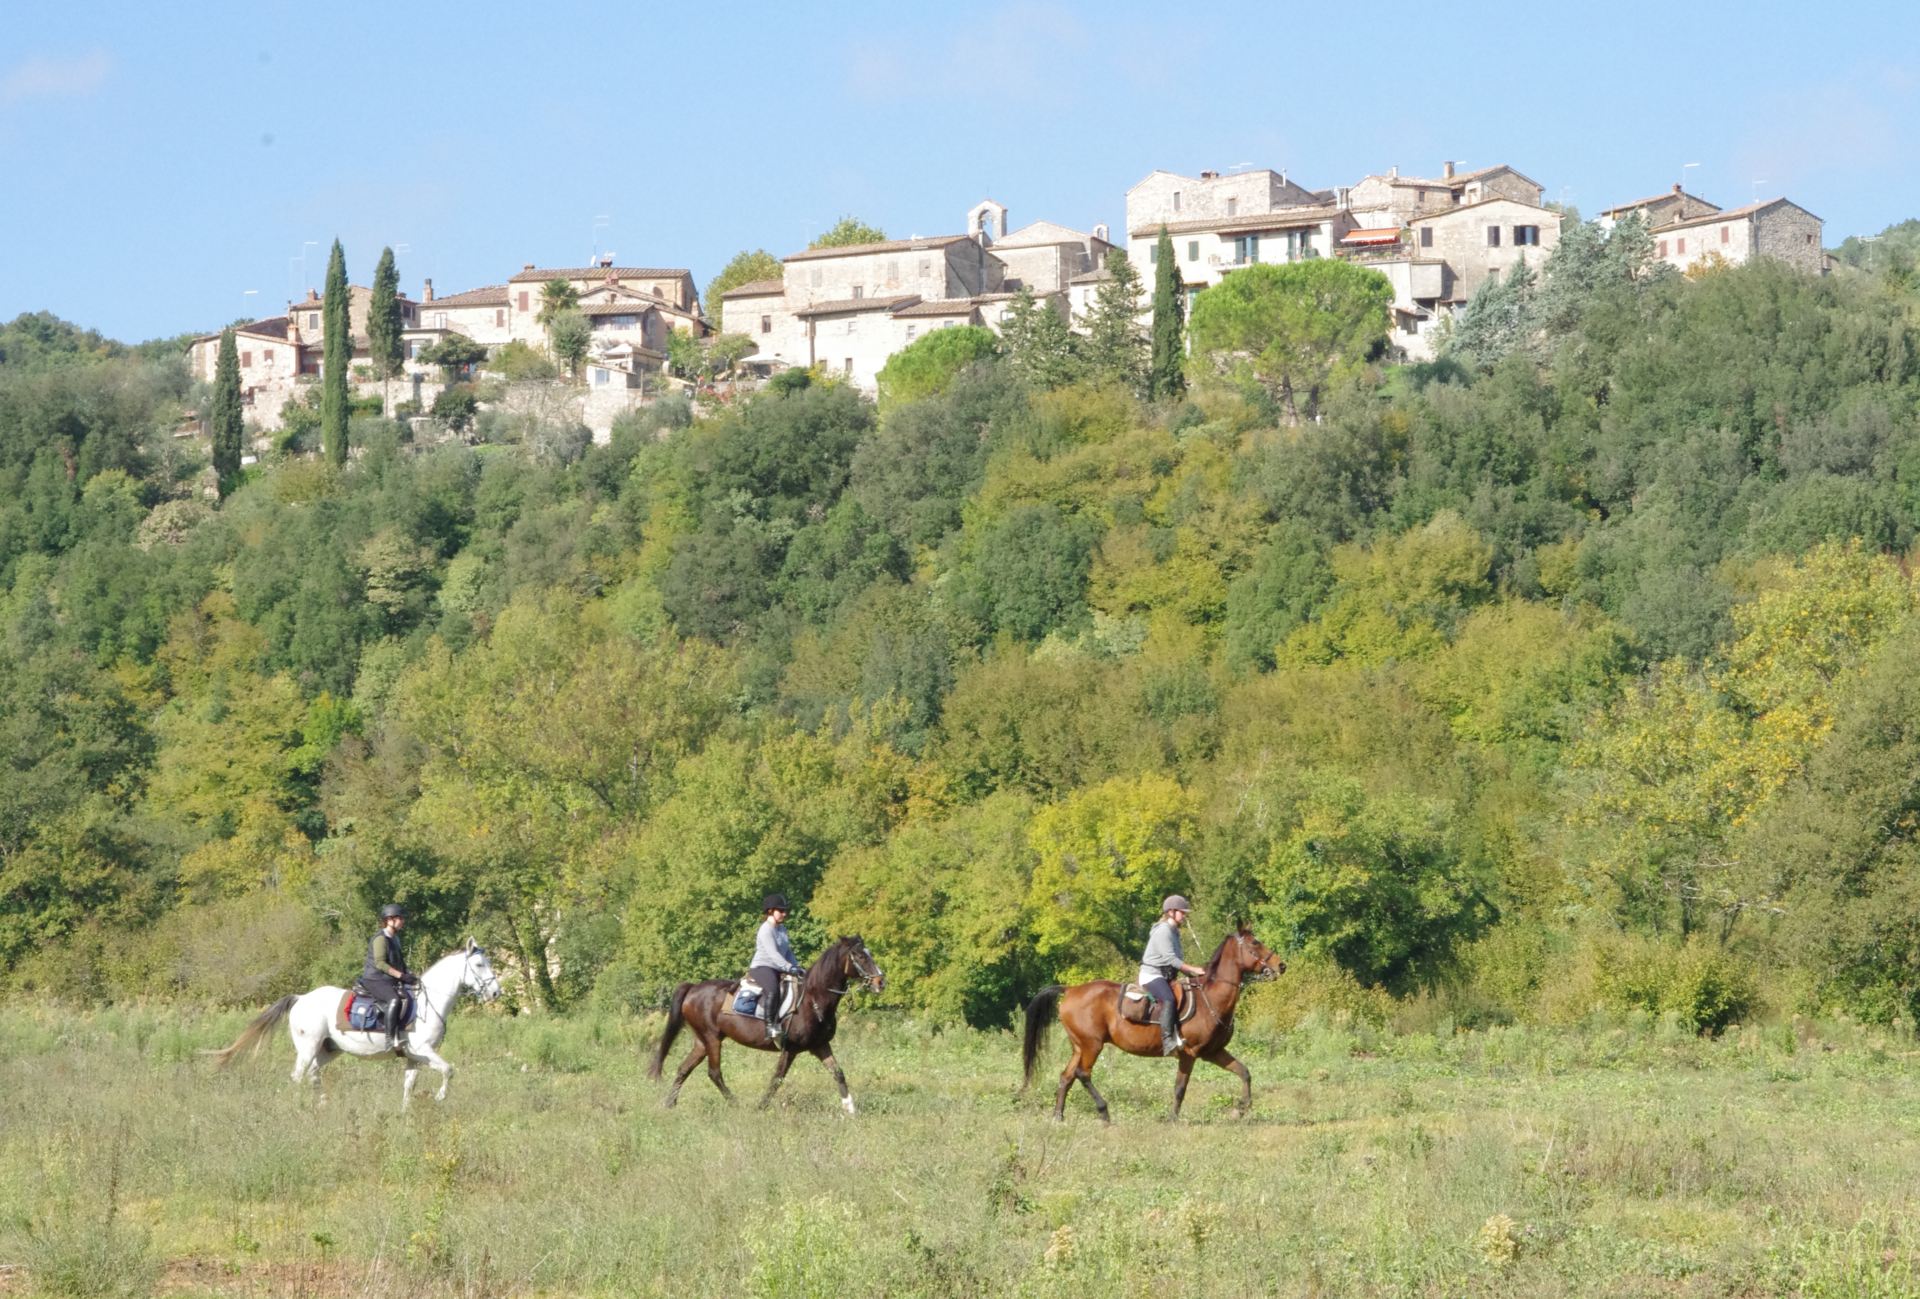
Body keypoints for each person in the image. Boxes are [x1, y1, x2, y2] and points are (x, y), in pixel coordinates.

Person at [1138, 895, 1206, 1056]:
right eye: (1182, 912)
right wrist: (1193, 969)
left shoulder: (1174, 932)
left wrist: (1195, 975)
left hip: (1166, 976)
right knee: (1169, 999)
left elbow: (1177, 961)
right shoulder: (1163, 930)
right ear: (1171, 912)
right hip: (1151, 975)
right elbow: (1170, 959)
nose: (1184, 915)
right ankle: (1167, 1040)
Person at [747, 893, 805, 1049]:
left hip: (778, 967)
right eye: (781, 910)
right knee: (773, 990)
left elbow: (788, 952)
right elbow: (774, 955)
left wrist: (797, 967)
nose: (785, 914)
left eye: (785, 911)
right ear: (770, 911)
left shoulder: (782, 929)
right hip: (763, 967)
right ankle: (770, 1026)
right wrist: (789, 968)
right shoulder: (765, 930)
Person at [359, 903, 416, 1050]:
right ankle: (390, 1039)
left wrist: (410, 975)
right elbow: (380, 964)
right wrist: (401, 976)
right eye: (400, 918)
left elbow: (400, 963)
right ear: (390, 920)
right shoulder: (381, 938)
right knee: (394, 1000)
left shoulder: (395, 939)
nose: (403, 921)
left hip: (388, 979)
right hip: (374, 978)